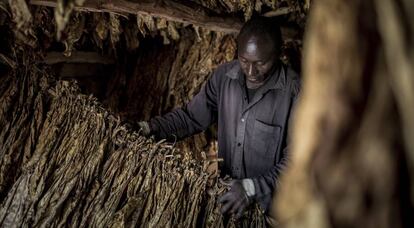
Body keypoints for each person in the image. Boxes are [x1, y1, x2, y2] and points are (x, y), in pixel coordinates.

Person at [138, 17, 300, 220]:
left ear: (279, 53)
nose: (251, 71)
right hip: (228, 203)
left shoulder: (296, 93)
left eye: (261, 63)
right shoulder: (224, 78)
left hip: (272, 213)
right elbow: (191, 118)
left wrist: (251, 188)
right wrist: (148, 128)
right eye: (244, 60)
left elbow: (299, 160)